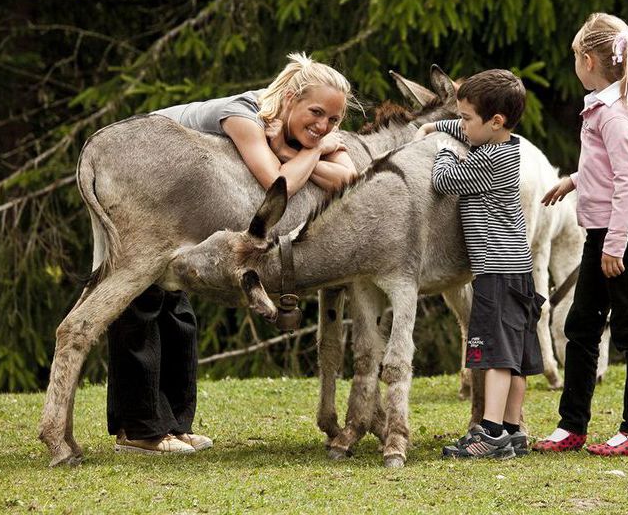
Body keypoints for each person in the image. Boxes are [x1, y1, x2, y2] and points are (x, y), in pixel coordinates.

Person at [108, 53, 357, 454]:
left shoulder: (305, 132)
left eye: (334, 120)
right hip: (148, 174)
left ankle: (173, 425)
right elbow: (276, 184)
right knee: (143, 300)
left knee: (178, 310)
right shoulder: (244, 115)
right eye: (316, 113)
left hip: (186, 199)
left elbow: (349, 178)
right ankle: (140, 430)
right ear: (291, 97)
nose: (324, 126)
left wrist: (294, 154)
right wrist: (310, 154)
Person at [533, 13, 628, 457]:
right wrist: (573, 180)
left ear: (587, 60)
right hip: (604, 231)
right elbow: (606, 169)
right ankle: (572, 426)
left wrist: (615, 245)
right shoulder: (602, 107)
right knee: (582, 326)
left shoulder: (616, 115)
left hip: (622, 234)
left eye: (574, 58)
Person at [418, 69, 544, 459]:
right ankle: (511, 429)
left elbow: (443, 180)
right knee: (518, 353)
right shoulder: (508, 145)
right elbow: (468, 126)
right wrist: (445, 125)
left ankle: (489, 432)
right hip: (516, 270)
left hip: (496, 272)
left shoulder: (488, 160)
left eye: (468, 119)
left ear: (496, 122)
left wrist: (439, 146)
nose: (462, 125)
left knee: (495, 354)